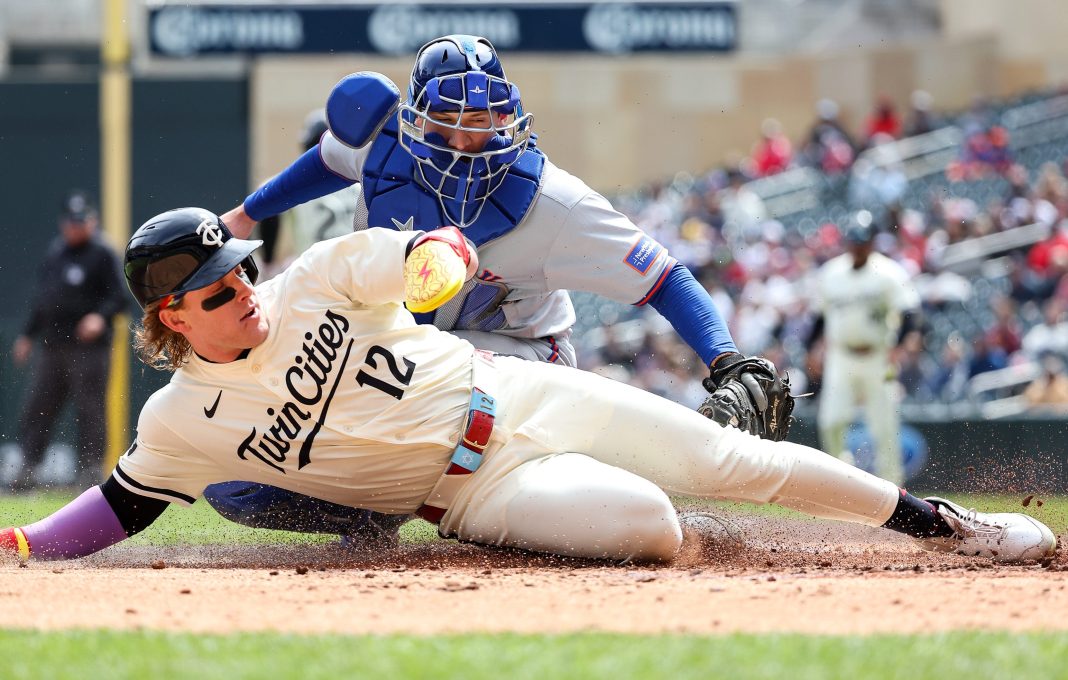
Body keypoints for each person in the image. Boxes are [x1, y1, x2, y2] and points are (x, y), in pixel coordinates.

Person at [0, 207, 1056, 565]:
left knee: (740, 459)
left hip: (521, 395)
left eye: (235, 268)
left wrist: (440, 260)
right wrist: (29, 543)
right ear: (171, 316)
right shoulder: (180, 416)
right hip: (470, 494)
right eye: (213, 289)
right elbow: (128, 501)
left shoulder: (313, 277)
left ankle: (944, 525)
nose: (240, 289)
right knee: (656, 530)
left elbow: (421, 253)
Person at [207, 34, 765, 542]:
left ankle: (511, 491)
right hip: (406, 358)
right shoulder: (382, 148)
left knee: (435, 389)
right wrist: (246, 214)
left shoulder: (555, 204)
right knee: (236, 479)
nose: (465, 135)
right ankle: (375, 509)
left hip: (520, 365)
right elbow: (326, 160)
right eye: (446, 116)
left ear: (507, 115)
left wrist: (725, 358)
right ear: (414, 117)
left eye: (480, 116)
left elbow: (664, 277)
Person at [6, 192, 127, 491]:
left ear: (92, 221)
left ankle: (89, 472)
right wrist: (27, 335)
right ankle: (26, 469)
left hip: (89, 349)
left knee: (90, 409)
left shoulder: (102, 253)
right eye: (71, 223)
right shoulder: (57, 252)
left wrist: (99, 316)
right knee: (39, 407)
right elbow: (43, 299)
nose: (75, 228)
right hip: (52, 347)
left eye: (81, 222)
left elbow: (120, 298)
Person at [808, 210, 921, 486]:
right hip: (841, 356)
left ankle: (895, 489)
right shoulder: (832, 273)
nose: (858, 246)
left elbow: (911, 312)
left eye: (863, 241)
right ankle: (841, 483)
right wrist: (811, 348)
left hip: (880, 358)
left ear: (872, 242)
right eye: (854, 241)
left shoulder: (889, 272)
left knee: (885, 426)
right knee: (831, 421)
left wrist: (903, 343)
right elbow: (819, 317)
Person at [255, 109, 362, 280]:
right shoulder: (360, 184)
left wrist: (269, 261)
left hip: (314, 273)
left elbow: (266, 198)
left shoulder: (297, 185)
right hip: (360, 270)